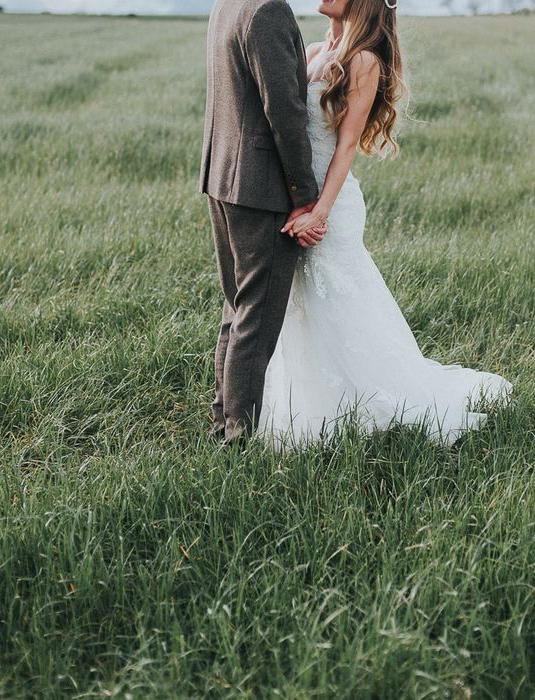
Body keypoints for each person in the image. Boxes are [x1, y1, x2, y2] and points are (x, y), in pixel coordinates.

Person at [255, 0, 514, 449]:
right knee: (301, 304)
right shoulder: (314, 48)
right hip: (296, 200)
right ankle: (307, 406)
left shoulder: (364, 61)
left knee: (335, 300)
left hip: (330, 204)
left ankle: (366, 404)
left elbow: (347, 144)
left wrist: (320, 210)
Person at [199, 0, 328, 445]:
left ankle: (223, 419)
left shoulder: (228, 4)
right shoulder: (269, 10)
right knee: (254, 314)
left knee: (236, 306)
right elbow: (285, 112)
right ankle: (238, 435)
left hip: (223, 177)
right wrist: (305, 196)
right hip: (260, 187)